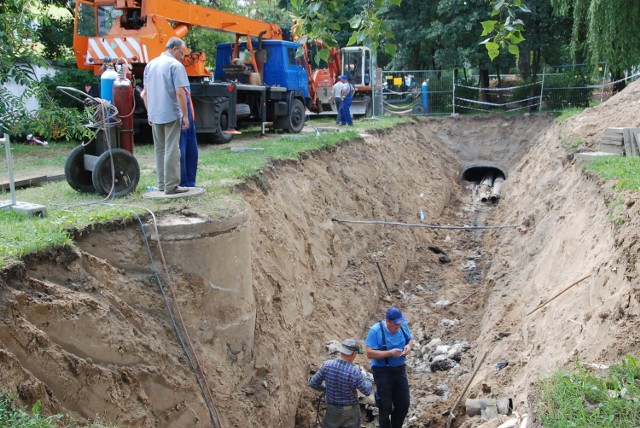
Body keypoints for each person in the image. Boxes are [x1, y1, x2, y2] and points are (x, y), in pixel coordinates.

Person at [140, 37, 190, 195]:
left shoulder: (150, 65)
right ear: (175, 49)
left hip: (155, 114)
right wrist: (185, 116)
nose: (182, 57)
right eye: (182, 53)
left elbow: (144, 93)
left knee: (160, 149)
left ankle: (162, 184)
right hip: (170, 113)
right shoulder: (175, 65)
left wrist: (149, 112)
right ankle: (171, 186)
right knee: (172, 149)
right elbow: (180, 93)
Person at [365, 306, 414, 428]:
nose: (398, 326)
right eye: (395, 324)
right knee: (385, 406)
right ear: (388, 321)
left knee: (404, 403)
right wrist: (390, 353)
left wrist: (409, 347)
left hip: (400, 370)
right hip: (383, 371)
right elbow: (369, 353)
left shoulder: (402, 326)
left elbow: (410, 339)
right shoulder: (376, 330)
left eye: (399, 324)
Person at [309, 338, 373, 428]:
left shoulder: (327, 365)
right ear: (354, 354)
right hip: (350, 411)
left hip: (332, 409)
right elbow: (367, 391)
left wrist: (327, 389)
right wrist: (367, 377)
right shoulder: (354, 371)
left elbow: (313, 383)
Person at [179, 86, 198, 187]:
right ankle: (184, 182)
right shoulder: (176, 70)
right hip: (181, 107)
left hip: (184, 105)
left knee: (187, 146)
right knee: (182, 147)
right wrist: (185, 116)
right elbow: (179, 92)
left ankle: (188, 182)